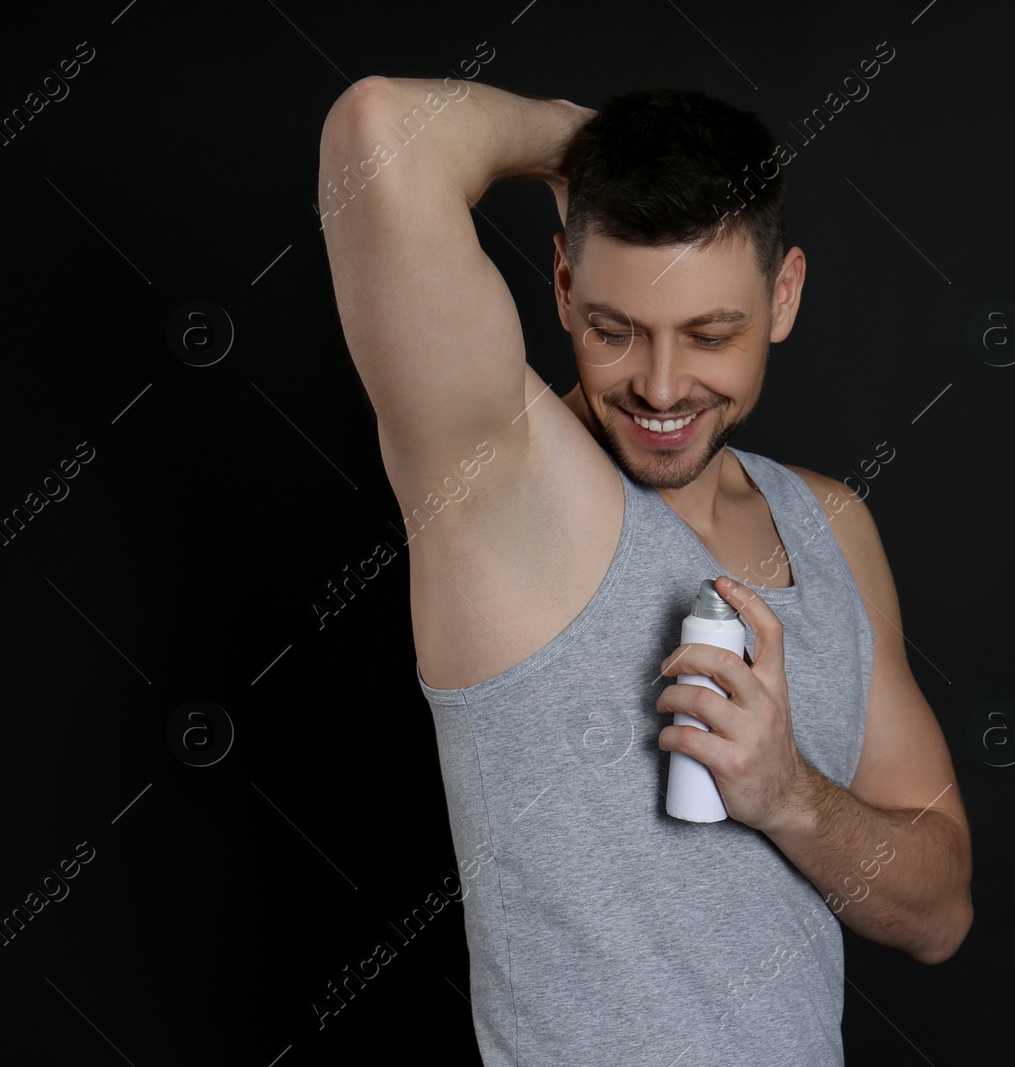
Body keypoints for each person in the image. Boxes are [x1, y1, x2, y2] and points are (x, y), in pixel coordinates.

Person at [317, 74, 972, 1065]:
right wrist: (575, 144)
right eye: (615, 331)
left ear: (782, 295)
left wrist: (787, 793)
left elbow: (939, 908)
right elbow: (378, 131)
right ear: (566, 289)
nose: (660, 388)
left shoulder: (832, 525)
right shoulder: (501, 490)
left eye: (710, 333)